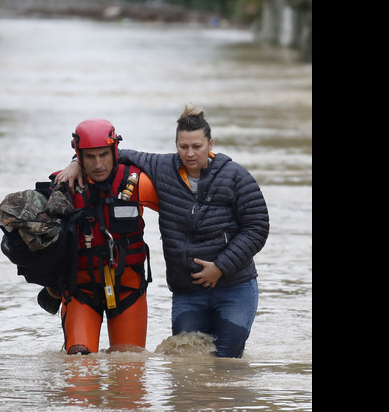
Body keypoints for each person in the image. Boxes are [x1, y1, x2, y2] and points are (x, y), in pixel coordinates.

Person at [54, 104, 269, 358]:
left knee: (224, 363)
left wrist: (221, 266)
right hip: (180, 291)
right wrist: (75, 163)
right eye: (183, 147)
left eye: (197, 147)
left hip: (227, 285)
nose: (190, 153)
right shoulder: (161, 168)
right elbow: (112, 155)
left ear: (210, 144)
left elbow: (257, 227)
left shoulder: (235, 176)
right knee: (184, 365)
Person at [51, 118, 159, 355]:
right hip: (81, 291)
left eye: (103, 155)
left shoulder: (138, 183)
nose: (98, 164)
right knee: (79, 370)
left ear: (115, 151)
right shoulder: (62, 187)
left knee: (128, 371)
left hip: (128, 288)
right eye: (90, 157)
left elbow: (186, 213)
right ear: (78, 155)